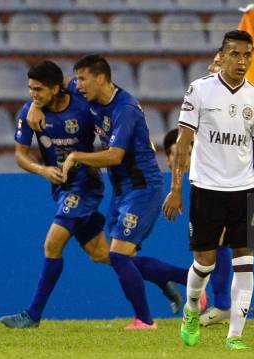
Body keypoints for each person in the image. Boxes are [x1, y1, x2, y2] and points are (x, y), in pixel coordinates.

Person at [55, 55, 193, 329]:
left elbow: (115, 155)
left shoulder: (125, 109)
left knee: (118, 255)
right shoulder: (85, 92)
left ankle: (145, 320)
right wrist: (33, 106)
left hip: (142, 188)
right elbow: (54, 82)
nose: (78, 85)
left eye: (83, 79)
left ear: (101, 78)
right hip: (121, 190)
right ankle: (193, 281)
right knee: (122, 258)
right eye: (77, 78)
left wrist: (77, 157)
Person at [163, 30, 254, 350]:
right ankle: (191, 309)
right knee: (205, 263)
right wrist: (175, 188)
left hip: (244, 188)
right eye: (236, 54)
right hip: (207, 188)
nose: (242, 61)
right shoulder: (199, 90)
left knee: (245, 261)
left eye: (247, 55)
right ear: (221, 56)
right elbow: (183, 143)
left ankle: (235, 336)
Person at [0, 61, 109, 328]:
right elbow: (20, 155)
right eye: (30, 89)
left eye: (38, 89)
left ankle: (32, 315)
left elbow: (101, 94)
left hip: (85, 183)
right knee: (103, 253)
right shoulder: (30, 111)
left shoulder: (81, 101)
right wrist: (43, 170)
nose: (32, 94)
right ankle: (169, 278)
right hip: (61, 186)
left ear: (56, 88)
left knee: (52, 243)